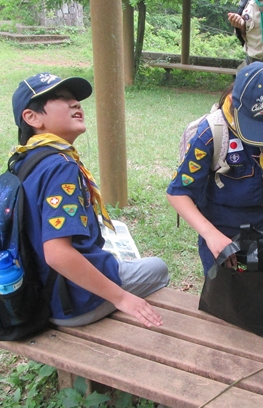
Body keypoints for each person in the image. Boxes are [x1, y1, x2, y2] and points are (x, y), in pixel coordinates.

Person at [11, 72, 169, 328]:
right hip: (72, 303)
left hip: (38, 289)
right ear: (32, 117)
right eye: (61, 98)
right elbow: (57, 254)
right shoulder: (60, 167)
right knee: (158, 268)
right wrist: (122, 298)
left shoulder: (26, 160)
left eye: (75, 99)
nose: (75, 104)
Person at [167, 61, 263, 275]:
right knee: (228, 295)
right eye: (257, 127)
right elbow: (177, 193)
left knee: (256, 285)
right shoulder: (212, 134)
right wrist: (211, 235)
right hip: (224, 234)